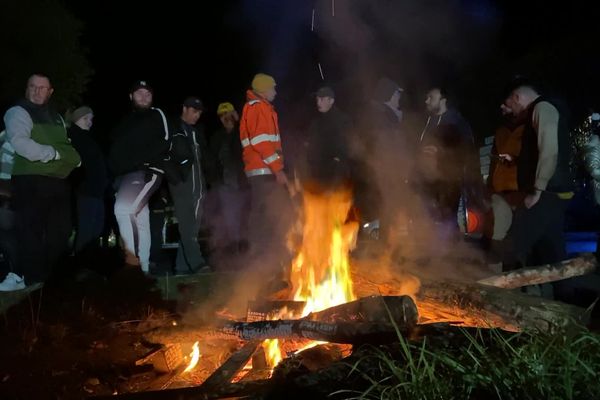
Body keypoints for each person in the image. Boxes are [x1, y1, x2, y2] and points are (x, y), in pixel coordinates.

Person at [0, 73, 81, 290]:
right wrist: (53, 155)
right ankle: (30, 279)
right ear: (26, 89)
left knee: (61, 231)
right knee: (30, 231)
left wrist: (67, 159)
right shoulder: (17, 112)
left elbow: (70, 151)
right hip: (29, 180)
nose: (37, 91)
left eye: (42, 87)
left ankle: (48, 276)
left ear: (50, 92)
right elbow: (21, 143)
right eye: (33, 86)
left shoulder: (57, 117)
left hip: (57, 182)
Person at [501, 79, 574, 270]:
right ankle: (565, 295)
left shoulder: (542, 108)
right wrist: (517, 161)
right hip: (552, 193)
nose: (510, 111)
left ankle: (504, 295)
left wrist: (537, 190)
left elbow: (549, 151)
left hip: (545, 194)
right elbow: (539, 153)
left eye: (509, 105)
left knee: (512, 249)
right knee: (553, 254)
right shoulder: (540, 110)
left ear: (517, 98)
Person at [108, 80, 170, 274]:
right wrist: (115, 172)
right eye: (139, 93)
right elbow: (114, 149)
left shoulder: (156, 114)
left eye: (147, 94)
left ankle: (132, 268)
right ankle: (143, 269)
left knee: (124, 211)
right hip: (123, 177)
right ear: (131, 97)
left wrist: (140, 161)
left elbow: (166, 140)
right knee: (141, 219)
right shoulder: (124, 122)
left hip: (147, 171)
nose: (143, 96)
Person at [239, 73, 291, 274]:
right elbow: (261, 142)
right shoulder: (257, 107)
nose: (276, 92)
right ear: (263, 89)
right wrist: (277, 169)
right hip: (263, 172)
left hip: (263, 171)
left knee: (268, 217)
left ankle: (269, 261)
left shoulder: (260, 107)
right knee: (269, 217)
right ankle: (264, 263)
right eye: (273, 88)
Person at [167, 96, 210, 273]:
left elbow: (205, 160)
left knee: (192, 229)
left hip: (199, 189)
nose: (197, 116)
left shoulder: (197, 132)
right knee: (187, 227)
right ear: (184, 109)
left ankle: (181, 268)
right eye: (194, 111)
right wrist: (174, 179)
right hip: (181, 187)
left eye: (199, 113)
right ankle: (197, 263)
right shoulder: (173, 129)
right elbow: (165, 157)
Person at [68, 106, 109, 257]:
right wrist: (81, 184)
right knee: (87, 230)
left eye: (91, 119)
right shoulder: (73, 137)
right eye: (86, 118)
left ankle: (89, 265)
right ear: (76, 119)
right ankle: (80, 267)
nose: (90, 122)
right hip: (86, 191)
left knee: (95, 229)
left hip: (97, 191)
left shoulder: (87, 138)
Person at [211, 102, 249, 255]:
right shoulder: (216, 138)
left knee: (247, 221)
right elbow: (211, 162)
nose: (226, 118)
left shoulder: (243, 133)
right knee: (230, 222)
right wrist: (215, 183)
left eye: (229, 114)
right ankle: (234, 255)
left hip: (245, 185)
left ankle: (249, 255)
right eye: (222, 115)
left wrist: (238, 124)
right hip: (226, 188)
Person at [304, 86, 352, 189]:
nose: (318, 103)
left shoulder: (342, 120)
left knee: (337, 201)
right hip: (318, 174)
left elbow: (347, 145)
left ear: (331, 101)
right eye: (317, 99)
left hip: (336, 175)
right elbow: (311, 145)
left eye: (321, 99)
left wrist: (336, 161)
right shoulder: (316, 122)